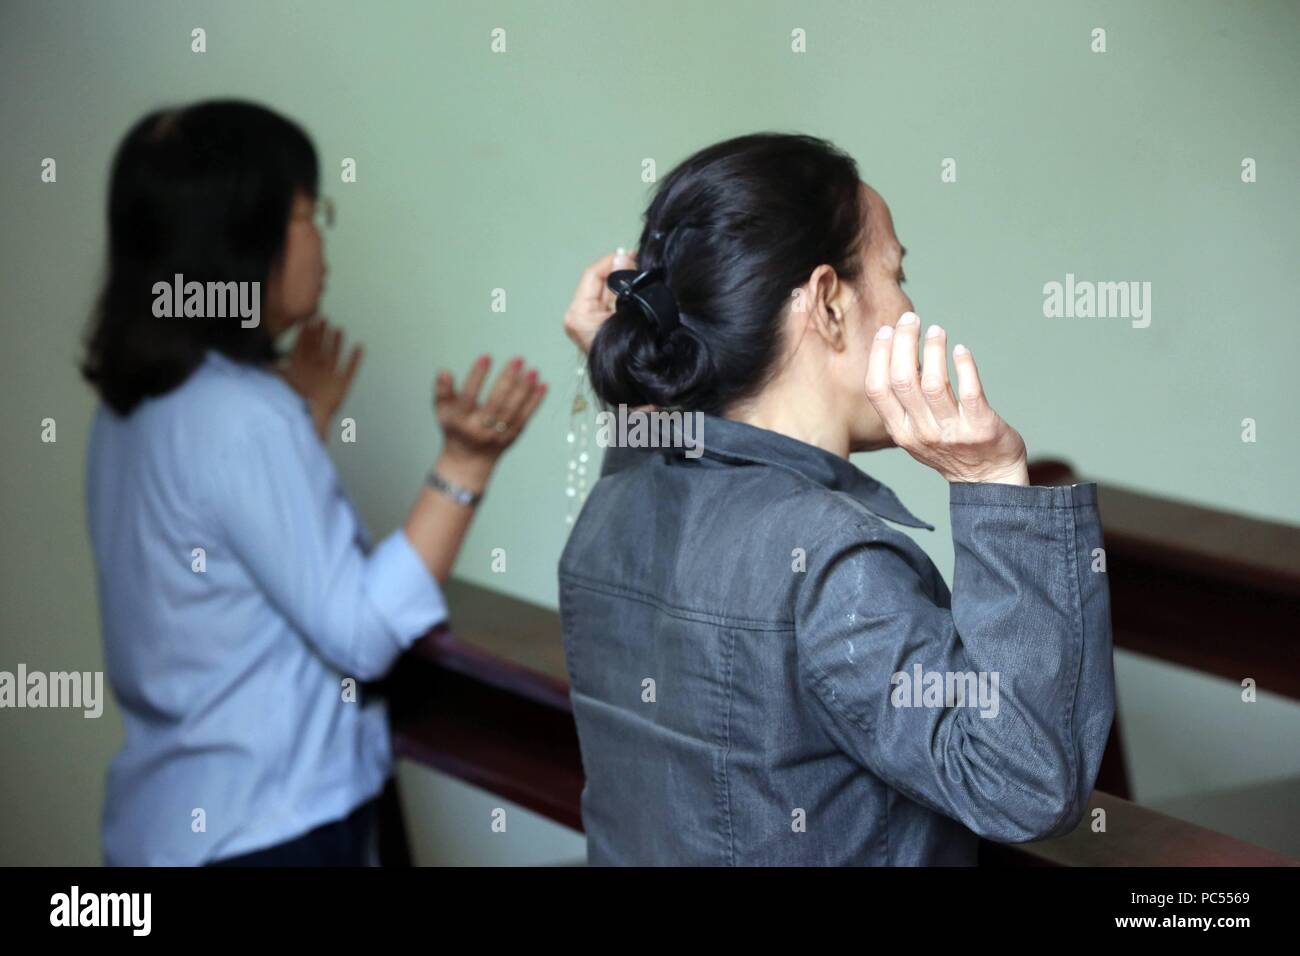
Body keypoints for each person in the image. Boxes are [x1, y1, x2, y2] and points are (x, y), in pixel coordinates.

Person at [559, 132, 1115, 865]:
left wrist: (639, 386)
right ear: (826, 303)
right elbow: (1024, 786)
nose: (909, 301)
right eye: (896, 272)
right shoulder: (830, 562)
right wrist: (992, 488)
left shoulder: (610, 509)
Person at [81, 100, 547, 865]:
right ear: (241, 237)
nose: (321, 239)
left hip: (165, 826)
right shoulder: (243, 415)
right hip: (268, 830)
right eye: (308, 213)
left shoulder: (137, 405)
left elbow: (216, 554)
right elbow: (360, 635)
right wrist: (464, 465)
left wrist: (300, 426)